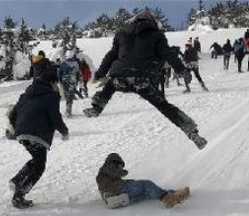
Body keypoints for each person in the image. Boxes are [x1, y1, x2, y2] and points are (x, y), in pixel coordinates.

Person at [82, 11, 207, 150]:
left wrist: (100, 73)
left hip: (120, 77)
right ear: (152, 22)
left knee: (111, 84)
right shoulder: (157, 35)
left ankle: (97, 107)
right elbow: (168, 53)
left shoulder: (121, 33)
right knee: (164, 106)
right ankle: (191, 132)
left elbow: (110, 55)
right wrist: (181, 70)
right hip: (143, 80)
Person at [8, 57, 69, 209]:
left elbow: (12, 114)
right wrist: (64, 132)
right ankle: (19, 195)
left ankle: (17, 180)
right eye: (56, 84)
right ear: (52, 82)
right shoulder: (51, 96)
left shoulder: (27, 94)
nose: (57, 87)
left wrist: (18, 128)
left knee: (36, 160)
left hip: (22, 134)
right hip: (38, 135)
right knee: (39, 167)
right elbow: (55, 118)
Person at [96, 153, 190, 209]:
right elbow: (115, 173)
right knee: (146, 184)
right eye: (119, 165)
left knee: (145, 193)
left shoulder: (106, 174)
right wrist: (122, 172)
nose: (120, 167)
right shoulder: (106, 168)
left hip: (118, 198)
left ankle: (171, 194)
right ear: (113, 162)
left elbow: (113, 177)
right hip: (116, 191)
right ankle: (168, 198)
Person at [58, 50, 80, 117]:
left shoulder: (64, 63)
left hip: (65, 80)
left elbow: (60, 73)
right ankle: (69, 108)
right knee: (71, 94)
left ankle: (68, 109)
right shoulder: (76, 64)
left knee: (66, 94)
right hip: (73, 80)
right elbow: (78, 73)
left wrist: (60, 80)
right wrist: (77, 81)